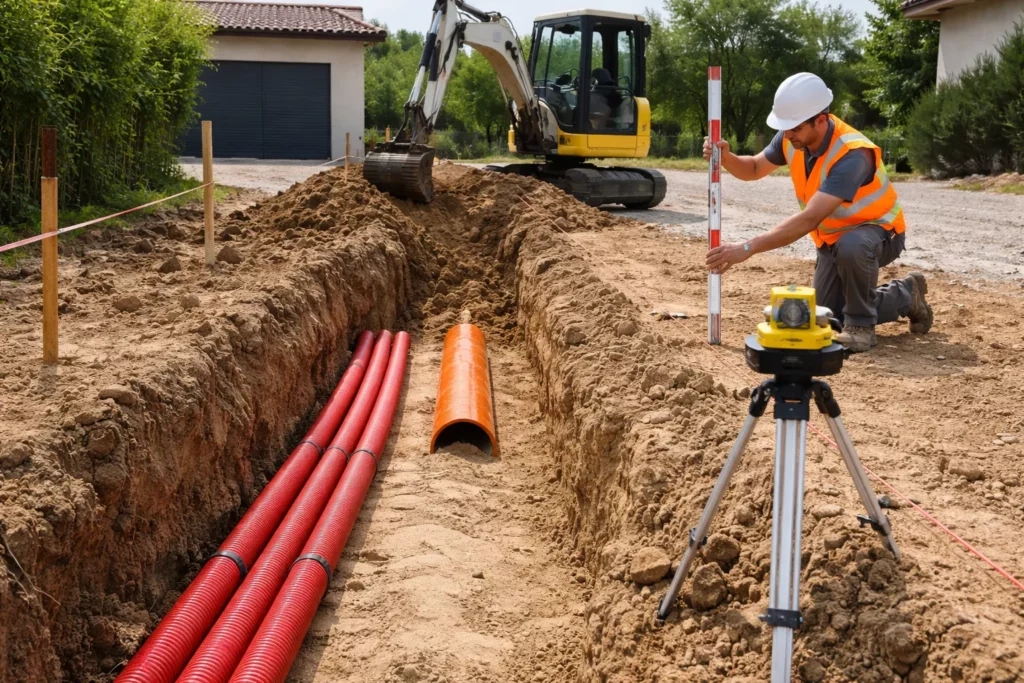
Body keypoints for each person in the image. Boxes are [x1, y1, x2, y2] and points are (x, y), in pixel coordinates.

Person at [703, 72, 932, 352]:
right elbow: (753, 168)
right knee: (827, 317)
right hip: (832, 242)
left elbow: (809, 219)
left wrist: (746, 248)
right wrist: (726, 157)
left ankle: (861, 327)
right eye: (785, 128)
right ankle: (907, 294)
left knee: (853, 248)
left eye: (795, 128)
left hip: (880, 233)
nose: (788, 135)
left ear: (821, 120)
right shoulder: (791, 136)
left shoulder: (852, 154)